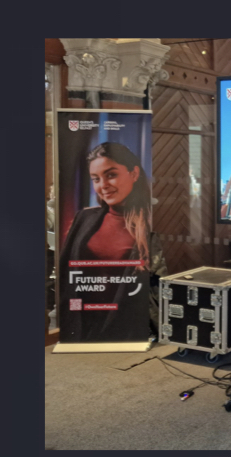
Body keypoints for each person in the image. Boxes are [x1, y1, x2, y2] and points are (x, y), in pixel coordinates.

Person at [59, 142, 152, 342]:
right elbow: (65, 275)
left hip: (125, 329)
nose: (103, 186)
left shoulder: (150, 224)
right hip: (81, 325)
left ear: (134, 174)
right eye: (96, 179)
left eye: (111, 175)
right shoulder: (83, 218)